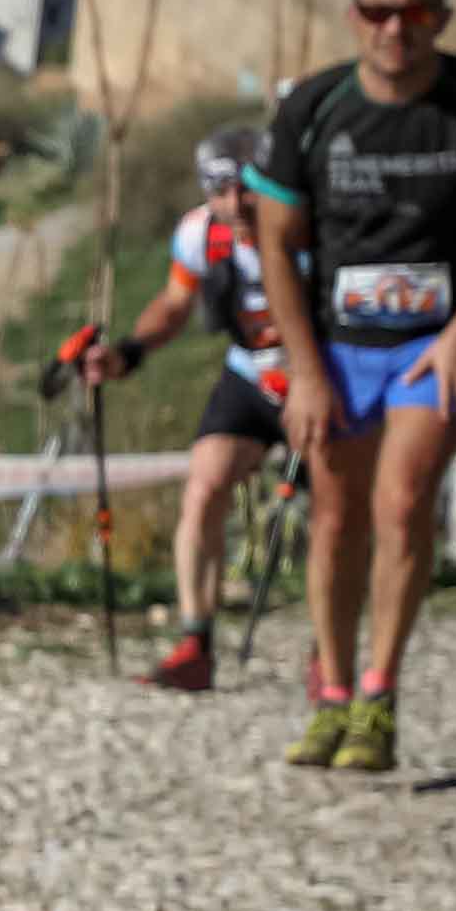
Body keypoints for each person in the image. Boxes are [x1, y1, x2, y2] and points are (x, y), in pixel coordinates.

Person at [243, 0, 456, 773]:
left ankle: (380, 695)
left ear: (441, 16)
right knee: (336, 517)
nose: (395, 29)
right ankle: (332, 694)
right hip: (338, 347)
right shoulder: (312, 111)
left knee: (402, 501)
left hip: (434, 344)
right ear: (353, 16)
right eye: (378, 12)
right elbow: (274, 243)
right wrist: (303, 371)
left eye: (412, 11)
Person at [69, 132, 314, 698]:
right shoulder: (199, 235)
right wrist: (127, 353)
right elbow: (174, 305)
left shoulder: (308, 228)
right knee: (203, 486)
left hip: (315, 375)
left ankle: (329, 653)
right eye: (220, 190)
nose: (236, 204)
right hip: (249, 374)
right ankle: (195, 643)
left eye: (247, 187)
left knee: (329, 506)